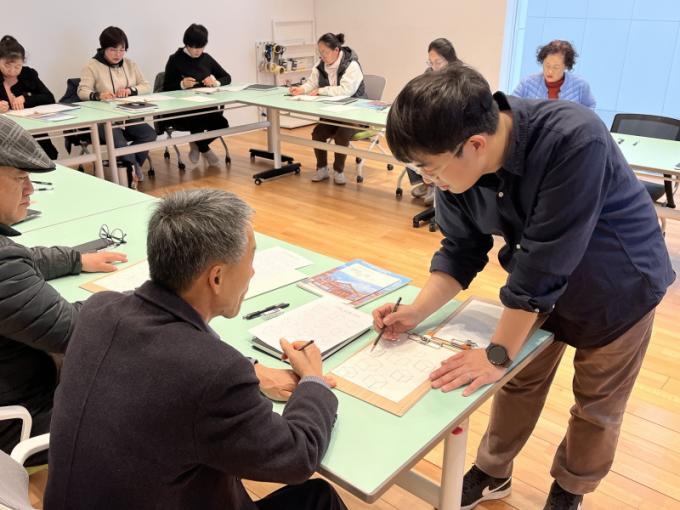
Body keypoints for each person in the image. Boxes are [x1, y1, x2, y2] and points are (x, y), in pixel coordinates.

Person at [375, 64, 674, 510]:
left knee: (596, 405)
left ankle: (571, 488)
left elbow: (544, 262)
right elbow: (461, 248)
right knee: (517, 380)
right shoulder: (457, 164)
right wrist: (417, 311)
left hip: (617, 284)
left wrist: (497, 352)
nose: (428, 180)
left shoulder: (573, 138)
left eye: (428, 169)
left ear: (475, 145)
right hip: (536, 285)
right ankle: (493, 472)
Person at [45, 188, 347, 510]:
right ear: (216, 277)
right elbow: (298, 457)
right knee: (321, 499)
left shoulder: (98, 310)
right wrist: (313, 381)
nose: (252, 272)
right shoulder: (215, 373)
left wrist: (250, 370)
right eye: (251, 259)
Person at [0, 116, 128, 464]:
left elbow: (22, 259)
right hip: (22, 421)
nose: (30, 190)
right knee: (162, 395)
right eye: (21, 178)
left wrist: (76, 259)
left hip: (17, 382)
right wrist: (138, 299)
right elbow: (81, 333)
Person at [77, 26, 156, 187]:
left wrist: (131, 90)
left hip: (128, 116)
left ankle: (131, 167)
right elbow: (82, 91)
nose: (118, 54)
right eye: (113, 50)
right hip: (103, 120)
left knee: (149, 134)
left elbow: (146, 86)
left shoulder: (130, 64)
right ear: (103, 48)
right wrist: (98, 95)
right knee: (119, 143)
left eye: (122, 50)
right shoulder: (92, 66)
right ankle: (132, 171)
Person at [289, 32, 366, 185]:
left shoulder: (352, 65)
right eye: (320, 52)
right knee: (318, 133)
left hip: (355, 114)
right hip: (332, 113)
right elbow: (312, 83)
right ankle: (322, 169)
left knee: (341, 135)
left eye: (325, 52)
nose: (322, 56)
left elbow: (346, 91)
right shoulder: (320, 65)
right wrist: (301, 89)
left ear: (336, 50)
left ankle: (338, 171)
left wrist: (321, 90)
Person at [163, 23, 231, 167]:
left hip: (206, 106)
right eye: (194, 47)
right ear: (187, 44)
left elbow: (227, 77)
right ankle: (205, 149)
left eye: (201, 47)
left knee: (223, 124)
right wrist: (182, 84)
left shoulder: (206, 58)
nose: (198, 51)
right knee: (197, 119)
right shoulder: (175, 59)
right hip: (184, 110)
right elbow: (165, 88)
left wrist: (215, 82)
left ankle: (197, 144)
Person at [410, 37, 460, 205]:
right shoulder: (429, 73)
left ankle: (434, 184)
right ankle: (425, 182)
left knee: (431, 142)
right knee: (409, 137)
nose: (434, 67)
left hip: (451, 125)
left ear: (449, 59)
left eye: (438, 62)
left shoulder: (459, 75)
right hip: (431, 120)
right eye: (431, 62)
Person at [0, 35, 59, 159]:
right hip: (5, 135)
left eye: (17, 66)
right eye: (7, 66)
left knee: (47, 157)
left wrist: (25, 98)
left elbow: (49, 98)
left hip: (33, 131)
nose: (12, 71)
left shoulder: (28, 74)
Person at [513, 40, 596, 109]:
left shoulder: (580, 85)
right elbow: (512, 105)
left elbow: (590, 106)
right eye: (547, 65)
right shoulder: (527, 83)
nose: (550, 71)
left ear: (566, 66)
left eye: (556, 67)